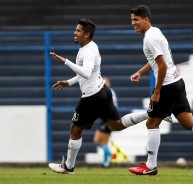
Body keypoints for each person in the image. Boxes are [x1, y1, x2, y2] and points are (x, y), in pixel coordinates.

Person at [128, 5, 193, 175]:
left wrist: (157, 91)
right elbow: (157, 61)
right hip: (177, 81)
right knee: (188, 122)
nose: (133, 23)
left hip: (168, 85)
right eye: (132, 19)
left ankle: (150, 166)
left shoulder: (150, 39)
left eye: (136, 20)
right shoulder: (155, 32)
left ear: (146, 20)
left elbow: (161, 66)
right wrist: (140, 72)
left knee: (152, 123)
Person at [48, 18, 149, 174]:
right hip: (102, 92)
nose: (75, 33)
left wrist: (65, 61)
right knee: (117, 125)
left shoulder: (87, 51)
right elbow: (89, 74)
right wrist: (69, 82)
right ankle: (152, 113)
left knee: (75, 128)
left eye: (78, 30)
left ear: (87, 34)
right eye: (75, 30)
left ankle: (68, 166)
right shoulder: (90, 47)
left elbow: (86, 73)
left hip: (91, 97)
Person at [93, 76, 118, 168]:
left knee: (102, 141)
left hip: (108, 119)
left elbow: (115, 106)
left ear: (109, 83)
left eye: (105, 82)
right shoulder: (101, 92)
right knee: (97, 140)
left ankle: (106, 162)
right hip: (103, 119)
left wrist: (110, 119)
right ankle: (107, 157)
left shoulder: (110, 92)